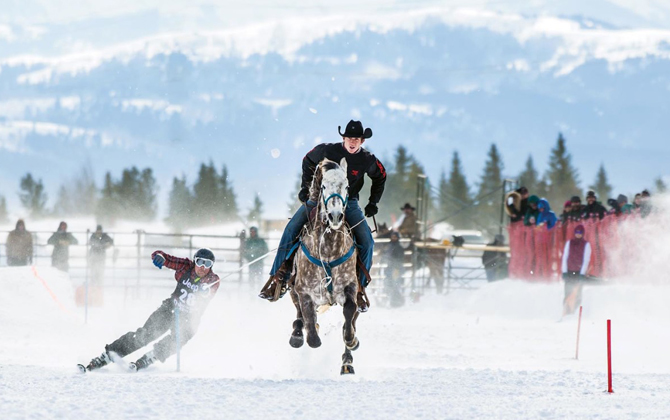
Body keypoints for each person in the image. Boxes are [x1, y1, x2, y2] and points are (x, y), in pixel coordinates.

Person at [258, 120, 386, 312]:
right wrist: (306, 187)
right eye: (350, 138)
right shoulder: (326, 151)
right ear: (343, 138)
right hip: (319, 200)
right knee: (291, 229)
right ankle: (278, 278)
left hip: (348, 202)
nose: (353, 142)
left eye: (357, 139)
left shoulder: (367, 159)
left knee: (367, 241)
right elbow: (307, 160)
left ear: (362, 141)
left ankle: (359, 288)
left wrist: (373, 202)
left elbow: (380, 176)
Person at [81, 248, 221, 372]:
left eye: (207, 264)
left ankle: (151, 357)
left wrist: (205, 291)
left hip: (189, 319)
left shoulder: (212, 280)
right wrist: (159, 257)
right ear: (194, 261)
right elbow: (165, 257)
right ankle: (109, 355)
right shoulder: (186, 267)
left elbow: (210, 291)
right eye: (200, 262)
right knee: (145, 335)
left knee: (176, 340)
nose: (202, 267)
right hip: (170, 309)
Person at [561, 225, 591, 316]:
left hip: (578, 272)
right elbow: (565, 257)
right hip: (569, 271)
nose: (578, 234)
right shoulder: (569, 243)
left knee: (577, 293)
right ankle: (566, 311)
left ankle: (575, 312)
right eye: (577, 232)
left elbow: (586, 259)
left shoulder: (586, 244)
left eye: (580, 233)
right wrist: (564, 271)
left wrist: (582, 273)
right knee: (568, 292)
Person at [382, 231, 405, 307]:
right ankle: (391, 301)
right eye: (392, 237)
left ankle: (395, 301)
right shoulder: (389, 246)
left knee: (395, 285)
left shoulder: (398, 247)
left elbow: (399, 259)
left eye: (395, 237)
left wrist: (396, 268)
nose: (393, 238)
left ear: (398, 238)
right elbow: (386, 255)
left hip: (396, 268)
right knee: (389, 284)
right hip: (390, 268)